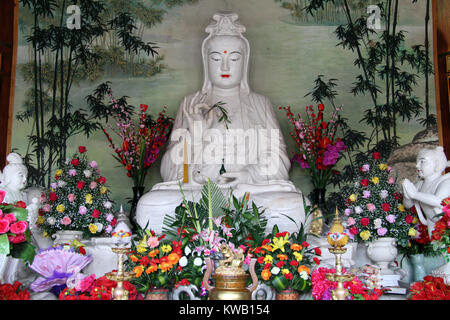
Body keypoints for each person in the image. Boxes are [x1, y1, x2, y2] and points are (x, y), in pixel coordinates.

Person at [136, 12, 307, 235]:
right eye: (216, 58)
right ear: (206, 63)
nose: (225, 66)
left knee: (292, 206)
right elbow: (171, 171)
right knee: (151, 205)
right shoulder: (191, 103)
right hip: (198, 192)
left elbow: (279, 162)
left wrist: (247, 175)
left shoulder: (259, 103)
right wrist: (195, 134)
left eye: (234, 58)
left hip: (247, 193)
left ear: (244, 63)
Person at [402, 147, 450, 237]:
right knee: (435, 247)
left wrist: (415, 194)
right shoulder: (420, 184)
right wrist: (407, 195)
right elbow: (408, 205)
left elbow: (440, 202)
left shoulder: (445, 181)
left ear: (437, 164)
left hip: (446, 224)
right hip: (432, 222)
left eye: (422, 161)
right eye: (417, 162)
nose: (417, 165)